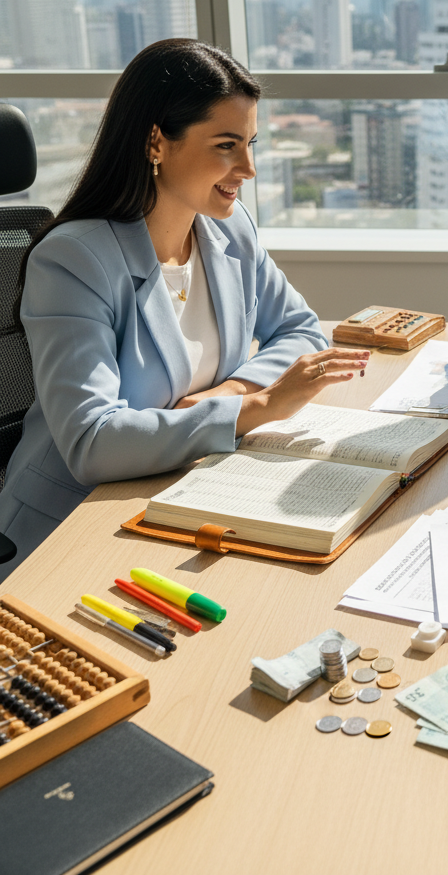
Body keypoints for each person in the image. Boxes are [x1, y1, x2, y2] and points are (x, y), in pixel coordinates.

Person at [0, 39, 368, 580]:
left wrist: (228, 393)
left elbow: (300, 330)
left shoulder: (227, 226)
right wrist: (258, 406)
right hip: (72, 529)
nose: (248, 168)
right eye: (226, 145)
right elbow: (91, 442)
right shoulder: (74, 259)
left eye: (251, 143)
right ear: (156, 141)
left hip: (183, 496)